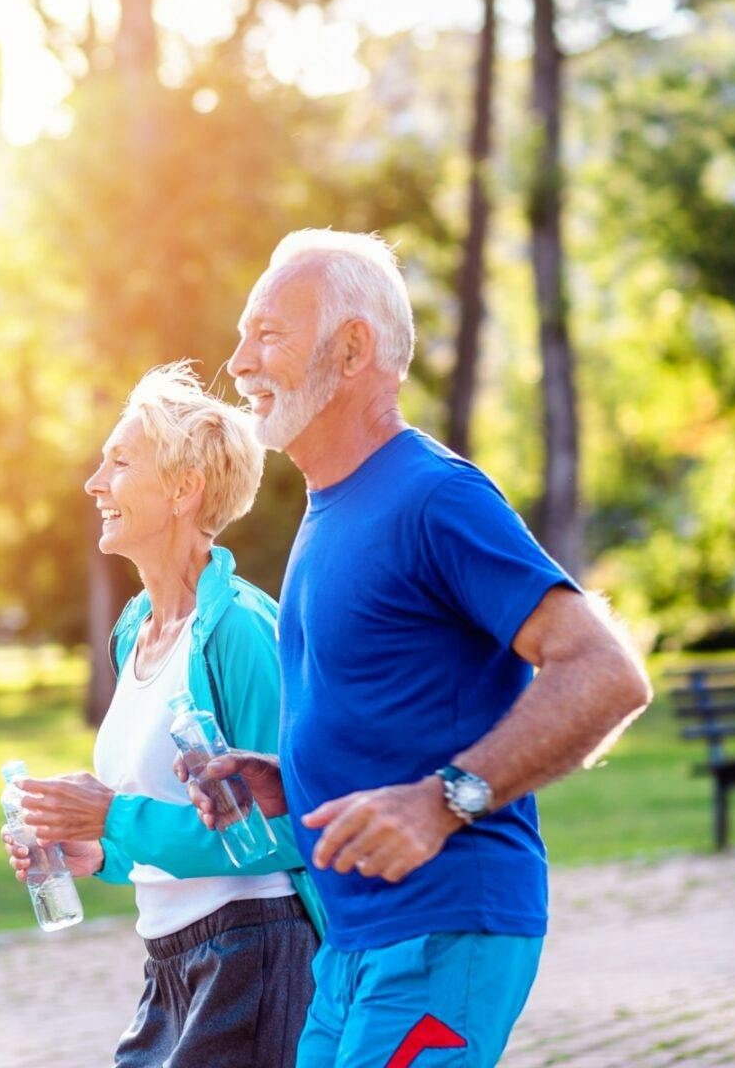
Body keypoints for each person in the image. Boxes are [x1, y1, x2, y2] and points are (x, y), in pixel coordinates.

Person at [184, 229, 653, 1068]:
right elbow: (400, 713)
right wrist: (282, 779)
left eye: (269, 334)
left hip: (442, 930)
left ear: (352, 347)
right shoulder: (329, 511)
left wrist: (443, 801)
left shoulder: (434, 495)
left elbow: (606, 671)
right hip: (353, 945)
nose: (240, 360)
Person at [2, 362, 326, 1068]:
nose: (94, 483)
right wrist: (98, 852)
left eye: (119, 463)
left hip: (256, 950)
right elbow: (169, 822)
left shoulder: (240, 631)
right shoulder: (135, 629)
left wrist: (111, 817)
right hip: (171, 961)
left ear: (184, 489)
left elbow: (291, 830)